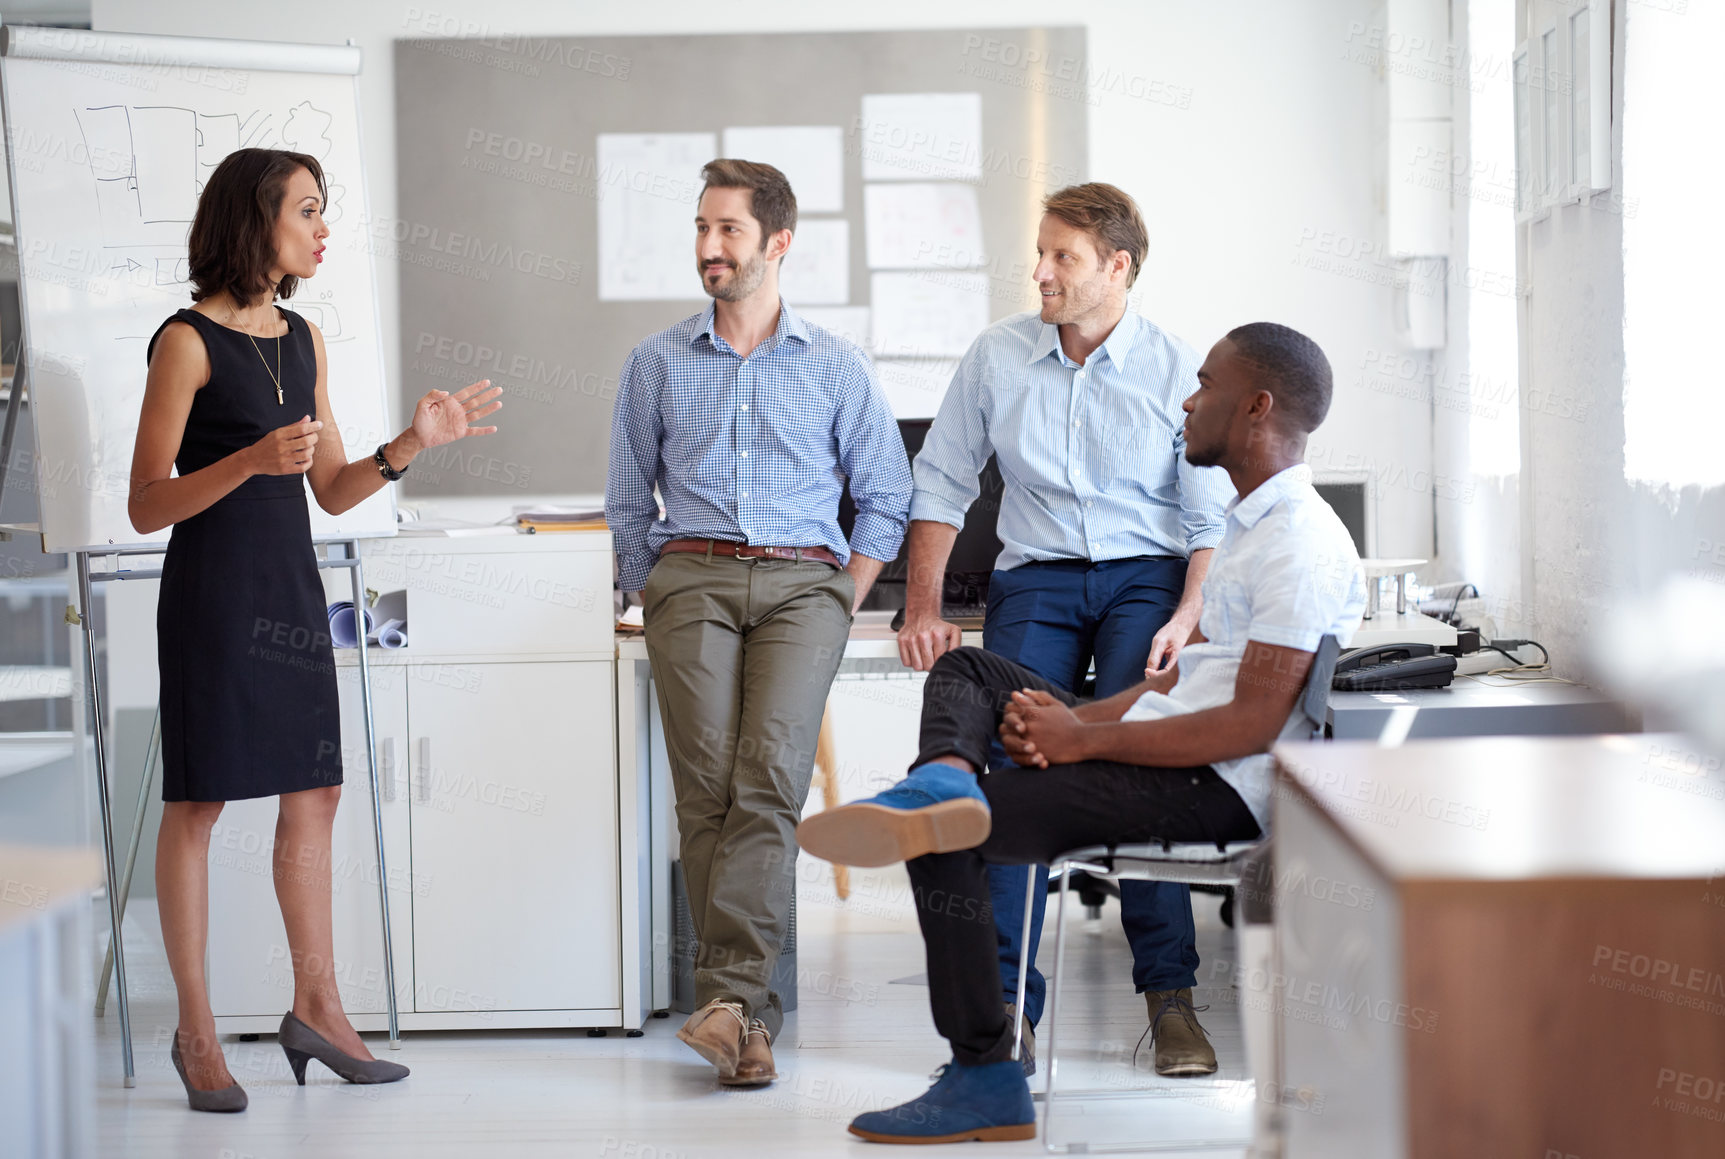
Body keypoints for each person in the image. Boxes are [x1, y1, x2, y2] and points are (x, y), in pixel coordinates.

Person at [799, 322, 1367, 1143]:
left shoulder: (1300, 540)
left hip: (1213, 789)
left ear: (1256, 407)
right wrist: (1075, 718)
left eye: (1204, 385)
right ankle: (947, 776)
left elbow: (1251, 722)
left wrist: (1080, 740)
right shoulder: (1248, 526)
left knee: (942, 841)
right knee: (968, 671)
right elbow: (1176, 684)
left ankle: (983, 1077)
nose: (1186, 398)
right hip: (1175, 751)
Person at [128, 147, 502, 1112]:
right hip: (211, 594)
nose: (322, 227)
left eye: (323, 211)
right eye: (307, 209)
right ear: (256, 221)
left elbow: (334, 488)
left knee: (318, 790)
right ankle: (196, 1030)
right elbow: (144, 505)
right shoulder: (186, 342)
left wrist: (409, 444)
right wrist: (250, 459)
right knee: (200, 806)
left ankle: (319, 1008)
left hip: (290, 590)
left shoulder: (303, 338)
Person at [895, 183, 1234, 1075]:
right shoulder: (997, 357)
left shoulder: (1175, 367)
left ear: (1117, 267)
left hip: (1145, 579)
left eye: (1062, 258)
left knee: (1138, 756)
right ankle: (1008, 1011)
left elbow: (1206, 521)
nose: (1039, 272)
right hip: (1036, 580)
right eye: (1039, 253)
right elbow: (937, 482)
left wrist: (1188, 613)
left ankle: (1170, 997)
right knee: (1018, 759)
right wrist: (923, 606)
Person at [605, 159, 912, 1088]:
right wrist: (646, 586)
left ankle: (730, 999)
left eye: (729, 230)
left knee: (768, 781)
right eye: (701, 227)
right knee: (707, 793)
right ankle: (749, 1022)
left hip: (800, 586)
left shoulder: (832, 364)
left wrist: (840, 595)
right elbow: (627, 498)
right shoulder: (657, 360)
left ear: (777, 242)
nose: (709, 246)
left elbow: (887, 495)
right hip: (690, 577)